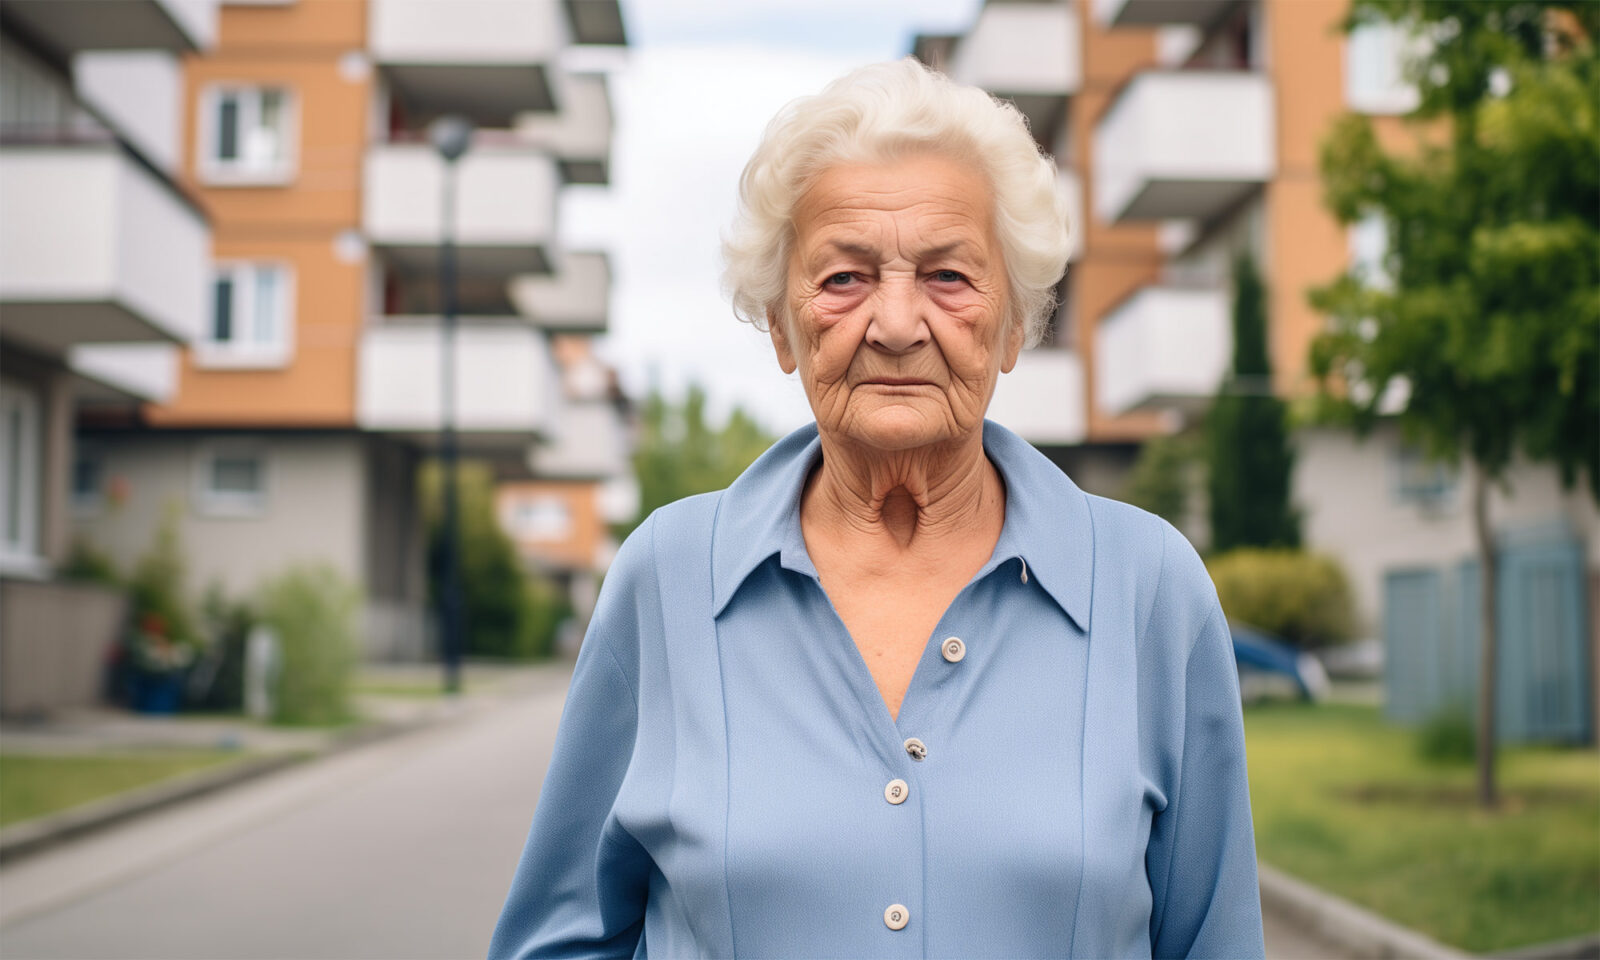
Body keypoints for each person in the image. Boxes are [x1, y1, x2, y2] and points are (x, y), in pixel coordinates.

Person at [489, 58, 1264, 959]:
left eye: (948, 277)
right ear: (782, 325)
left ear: (1013, 324)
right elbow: (559, 943)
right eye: (845, 278)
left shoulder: (1149, 588)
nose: (896, 324)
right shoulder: (668, 577)